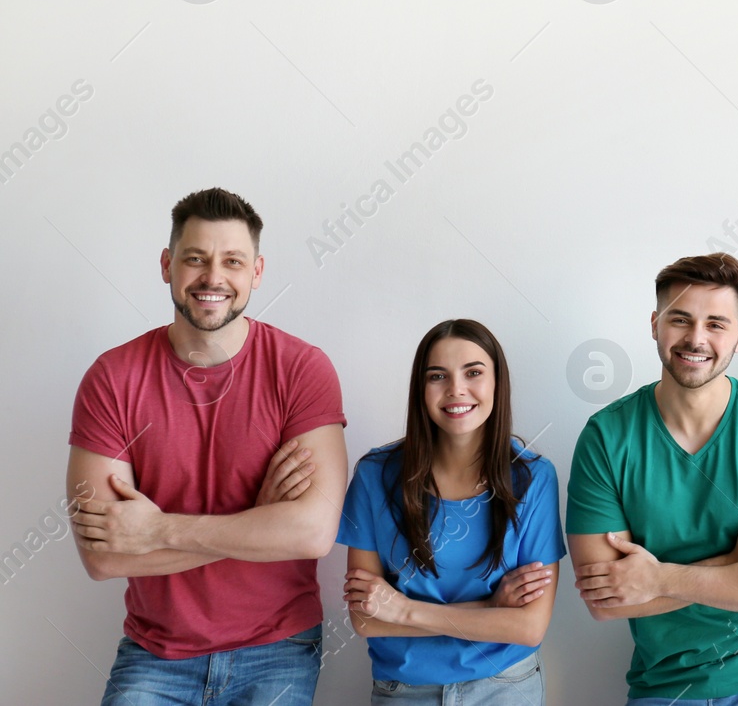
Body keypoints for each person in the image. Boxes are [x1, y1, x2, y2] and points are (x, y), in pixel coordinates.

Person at [67, 187, 347, 706]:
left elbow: (311, 533)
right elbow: (103, 557)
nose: (213, 277)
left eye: (232, 262)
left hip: (278, 646)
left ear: (257, 272)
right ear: (167, 265)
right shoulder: (113, 378)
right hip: (157, 652)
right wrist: (257, 521)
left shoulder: (301, 369)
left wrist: (156, 529)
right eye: (195, 259)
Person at [566, 252, 738, 705]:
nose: (696, 338)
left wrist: (657, 578)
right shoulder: (607, 437)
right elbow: (606, 598)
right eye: (680, 319)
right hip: (665, 680)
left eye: (716, 324)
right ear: (654, 324)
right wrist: (735, 561)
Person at [338, 318, 564, 704]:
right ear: (421, 390)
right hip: (402, 691)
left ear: (496, 382)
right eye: (437, 376)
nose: (456, 390)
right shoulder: (375, 476)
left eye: (473, 372)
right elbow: (366, 619)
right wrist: (490, 610)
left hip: (506, 688)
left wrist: (405, 611)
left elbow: (529, 626)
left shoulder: (533, 477)